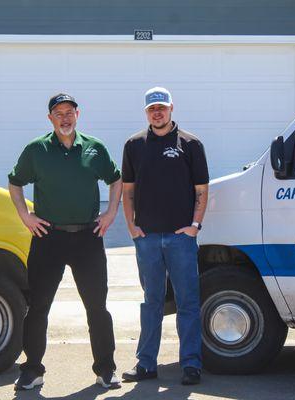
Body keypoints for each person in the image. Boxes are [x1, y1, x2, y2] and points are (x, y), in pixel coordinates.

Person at [8, 93, 122, 390]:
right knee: (38, 308)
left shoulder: (94, 149)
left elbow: (116, 178)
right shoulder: (37, 150)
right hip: (49, 238)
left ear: (77, 114)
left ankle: (106, 369)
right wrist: (26, 216)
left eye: (69, 111)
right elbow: (15, 182)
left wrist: (111, 213)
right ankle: (33, 370)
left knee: (97, 307)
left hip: (88, 237)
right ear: (50, 118)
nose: (64, 117)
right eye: (58, 113)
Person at [121, 87, 208, 385]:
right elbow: (127, 190)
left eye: (161, 107)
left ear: (172, 108)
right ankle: (146, 364)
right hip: (147, 239)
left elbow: (201, 190)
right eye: (151, 109)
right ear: (146, 112)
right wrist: (132, 228)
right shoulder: (133, 145)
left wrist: (194, 226)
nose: (156, 112)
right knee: (152, 302)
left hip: (180, 238)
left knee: (187, 303)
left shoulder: (191, 144)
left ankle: (191, 365)